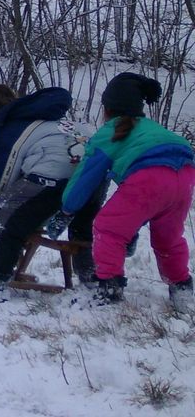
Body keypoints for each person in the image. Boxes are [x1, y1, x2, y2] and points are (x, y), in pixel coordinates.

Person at [51, 73, 194, 308]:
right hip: (185, 177)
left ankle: (109, 288)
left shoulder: (109, 133)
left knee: (107, 227)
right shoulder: (153, 128)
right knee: (168, 238)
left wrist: (66, 210)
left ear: (107, 109)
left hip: (149, 176)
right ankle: (181, 287)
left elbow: (85, 178)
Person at [0, 84, 101, 301]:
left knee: (4, 214)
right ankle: (92, 275)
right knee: (83, 225)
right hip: (93, 176)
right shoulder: (48, 120)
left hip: (52, 178)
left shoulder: (9, 129)